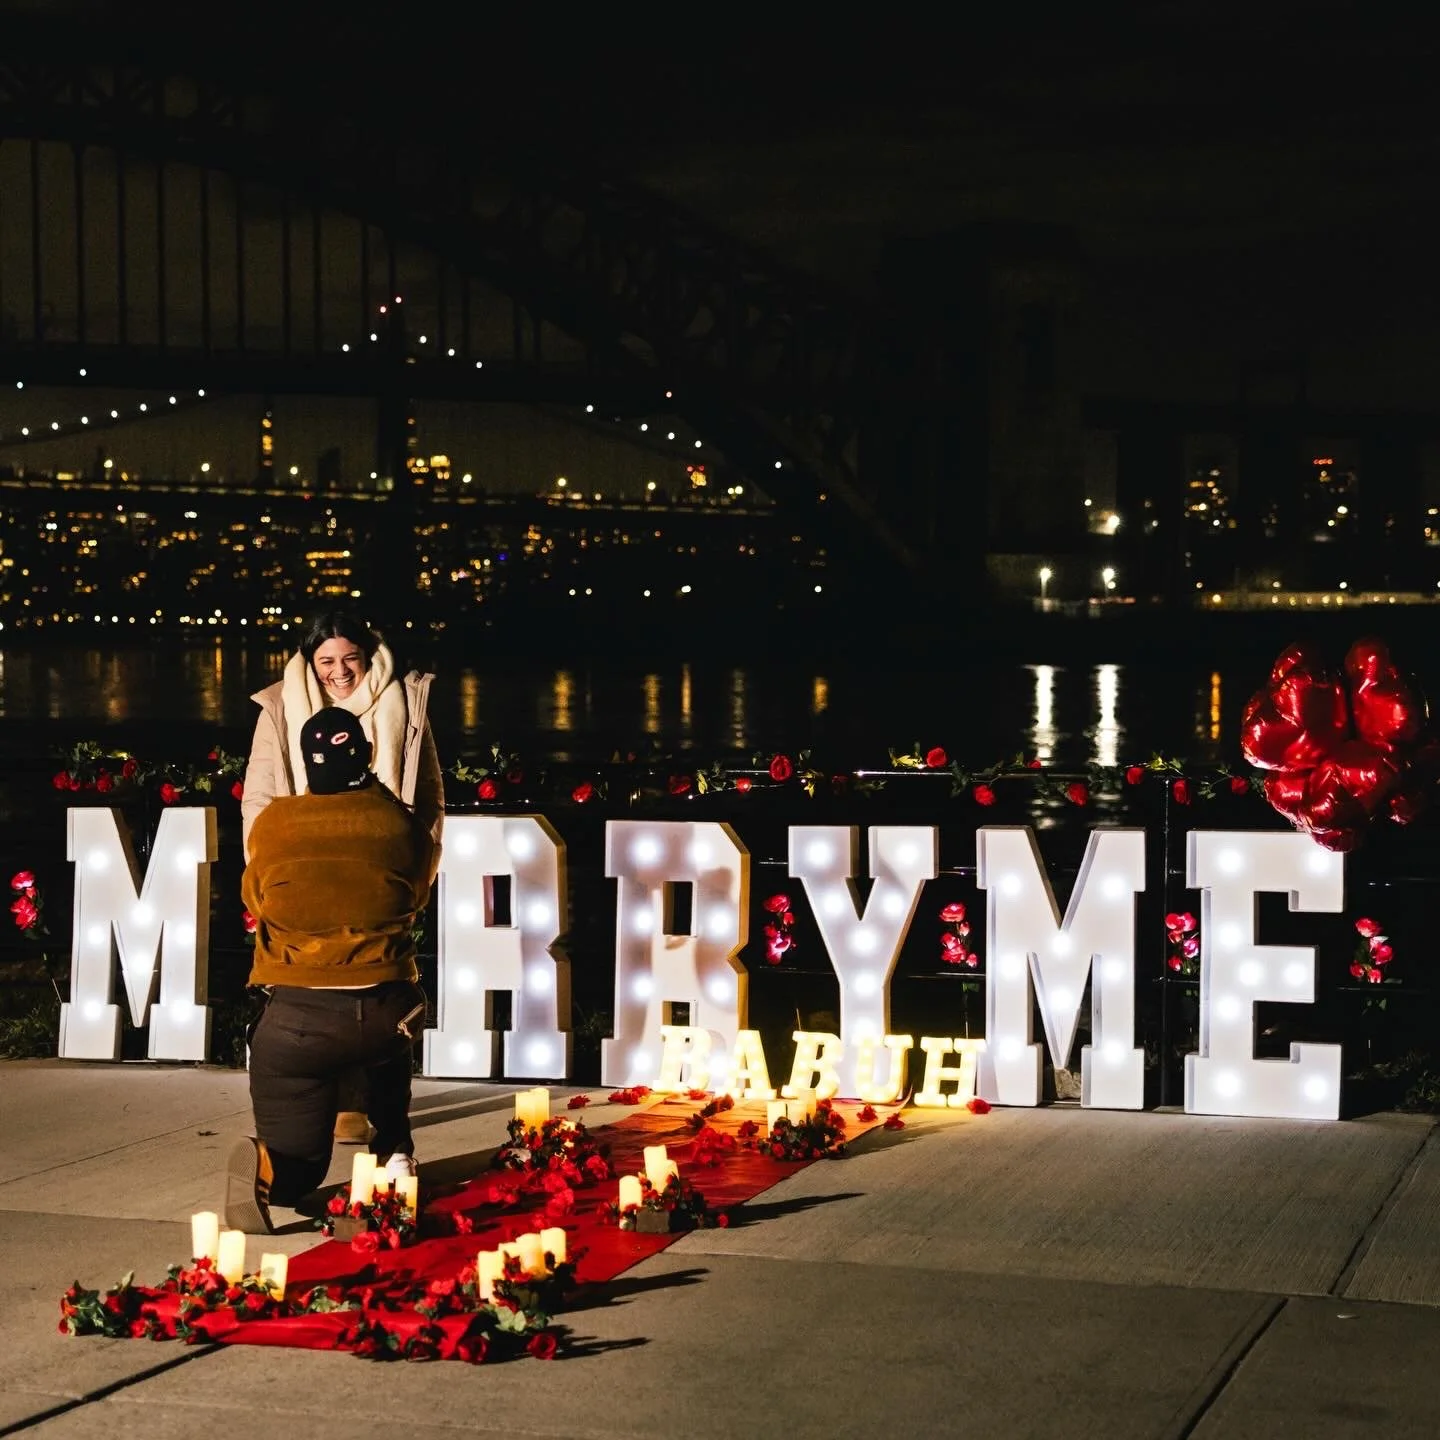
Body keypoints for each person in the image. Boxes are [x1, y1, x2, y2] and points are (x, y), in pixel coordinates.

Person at [225, 707, 436, 1234]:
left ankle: (276, 1171)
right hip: (385, 1009)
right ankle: (394, 1158)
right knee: (389, 1053)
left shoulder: (275, 822)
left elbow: (256, 898)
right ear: (364, 754)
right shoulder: (397, 822)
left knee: (299, 1170)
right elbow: (416, 892)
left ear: (306, 762)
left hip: (299, 1020)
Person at [241, 609, 444, 1144]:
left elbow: (428, 795)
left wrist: (415, 865)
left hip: (379, 864)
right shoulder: (281, 705)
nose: (339, 671)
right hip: (301, 864)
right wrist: (266, 864)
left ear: (368, 655)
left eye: (350, 658)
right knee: (313, 979)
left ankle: (361, 1109)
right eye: (326, 660)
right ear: (311, 661)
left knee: (370, 971)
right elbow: (260, 793)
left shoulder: (404, 699)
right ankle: (335, 1107)